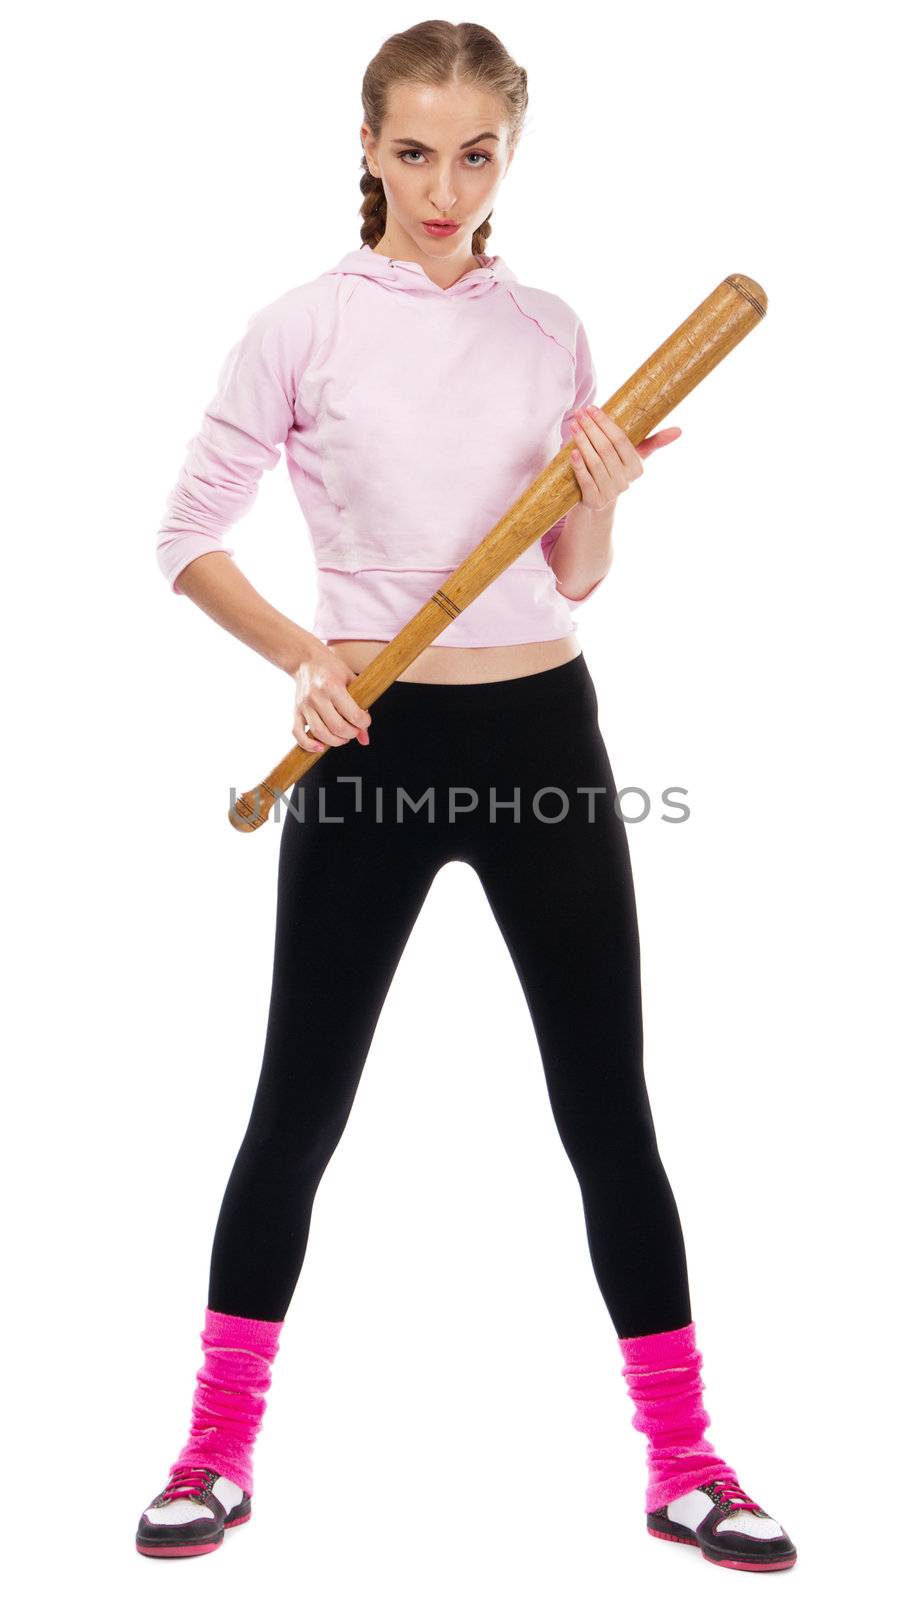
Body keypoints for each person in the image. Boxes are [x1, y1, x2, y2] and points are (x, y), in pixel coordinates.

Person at [137, 19, 796, 1573]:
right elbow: (184, 535)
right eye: (417, 149)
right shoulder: (302, 327)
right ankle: (214, 1450)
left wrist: (603, 501)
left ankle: (687, 1461)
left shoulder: (552, 330)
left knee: (606, 1109)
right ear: (367, 146)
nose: (446, 185)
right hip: (364, 746)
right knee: (298, 1107)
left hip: (541, 743)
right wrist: (303, 656)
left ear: (513, 154)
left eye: (478, 152)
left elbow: (573, 577)